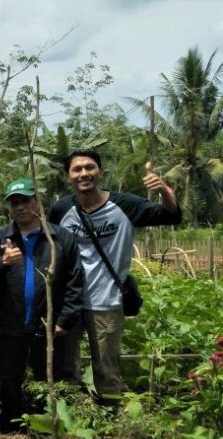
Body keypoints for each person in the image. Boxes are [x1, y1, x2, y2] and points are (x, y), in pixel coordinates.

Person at [49, 150, 181, 401]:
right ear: (68, 176)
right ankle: (70, 419)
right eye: (77, 169)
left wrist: (164, 191)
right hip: (69, 303)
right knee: (65, 367)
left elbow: (171, 215)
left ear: (100, 172)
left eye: (90, 167)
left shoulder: (125, 205)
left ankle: (110, 422)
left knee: (107, 369)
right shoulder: (61, 209)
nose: (84, 173)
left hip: (107, 301)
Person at [0, 178, 85, 427]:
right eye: (14, 202)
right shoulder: (0, 237)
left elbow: (75, 282)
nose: (19, 207)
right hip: (11, 322)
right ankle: (11, 424)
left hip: (48, 323)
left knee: (49, 376)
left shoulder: (60, 237)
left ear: (37, 201)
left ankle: (47, 425)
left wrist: (64, 319)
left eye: (25, 200)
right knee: (10, 376)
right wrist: (3, 262)